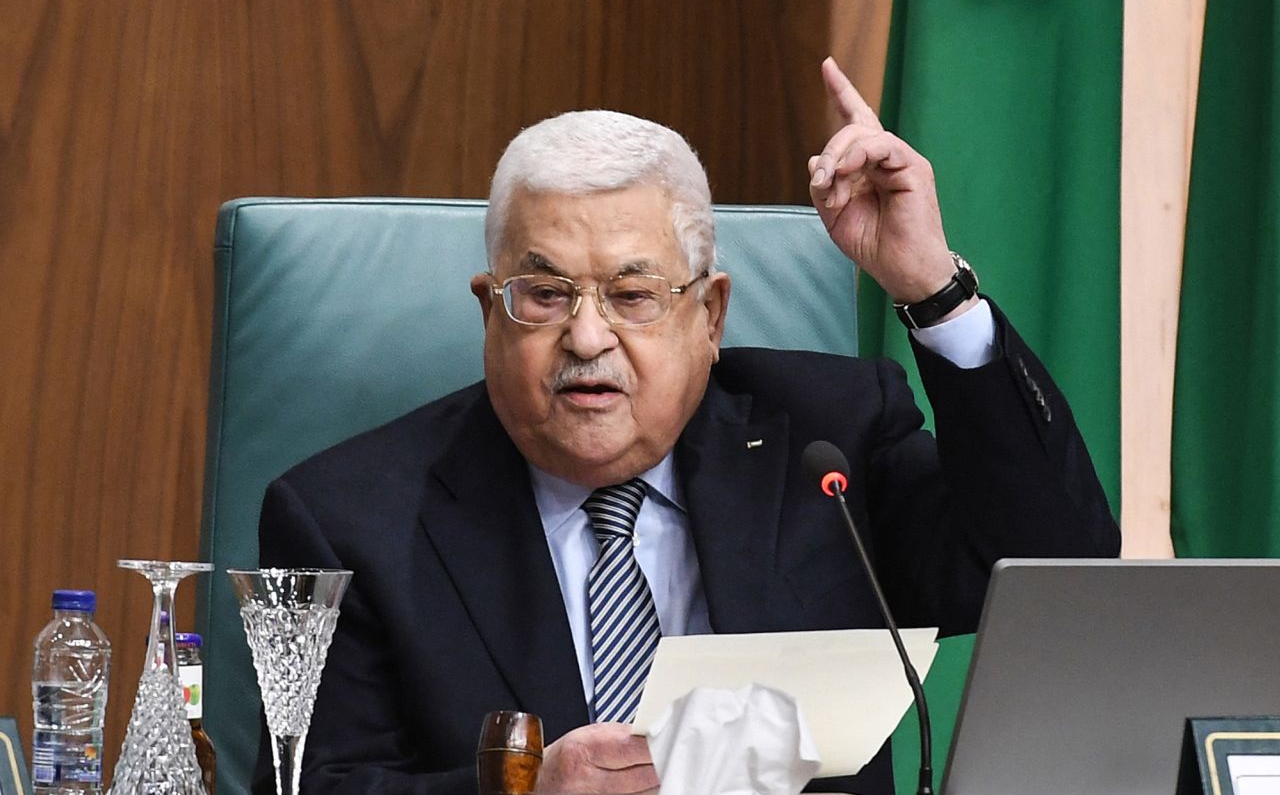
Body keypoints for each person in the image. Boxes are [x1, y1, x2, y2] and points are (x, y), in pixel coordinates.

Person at [254, 58, 1120, 795]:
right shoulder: (348, 522)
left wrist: (933, 287)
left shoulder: (827, 443)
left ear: (709, 317)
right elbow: (308, 784)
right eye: (546, 295)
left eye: (633, 296)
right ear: (491, 310)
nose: (587, 339)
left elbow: (1058, 568)